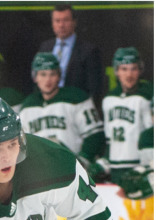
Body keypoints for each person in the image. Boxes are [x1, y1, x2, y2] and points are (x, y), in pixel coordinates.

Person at [20, 52, 105, 179]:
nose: (47, 80)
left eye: (52, 74)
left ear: (59, 76)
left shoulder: (76, 98)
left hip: (72, 170)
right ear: (35, 77)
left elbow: (94, 134)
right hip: (41, 174)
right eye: (43, 74)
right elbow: (23, 145)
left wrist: (83, 160)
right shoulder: (27, 106)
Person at [101, 48, 154, 185]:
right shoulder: (109, 99)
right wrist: (104, 163)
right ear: (116, 71)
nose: (129, 74)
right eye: (124, 69)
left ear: (140, 70)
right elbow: (109, 140)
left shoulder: (148, 97)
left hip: (141, 168)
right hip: (115, 168)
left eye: (133, 69)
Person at [38, 3, 104, 107]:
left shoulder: (89, 50)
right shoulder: (45, 47)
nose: (61, 25)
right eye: (57, 21)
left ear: (74, 22)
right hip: (48, 106)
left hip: (75, 106)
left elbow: (95, 88)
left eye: (65, 20)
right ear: (52, 24)